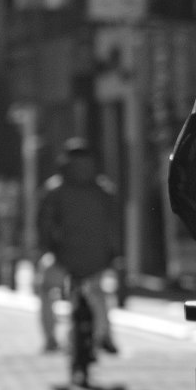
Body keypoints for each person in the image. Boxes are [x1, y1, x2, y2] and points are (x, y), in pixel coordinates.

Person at [36, 139, 123, 356]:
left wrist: (51, 248)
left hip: (64, 257)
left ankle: (50, 339)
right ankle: (107, 336)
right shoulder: (104, 190)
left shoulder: (54, 190)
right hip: (97, 258)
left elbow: (44, 225)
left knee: (46, 287)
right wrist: (113, 254)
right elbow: (115, 225)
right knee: (98, 292)